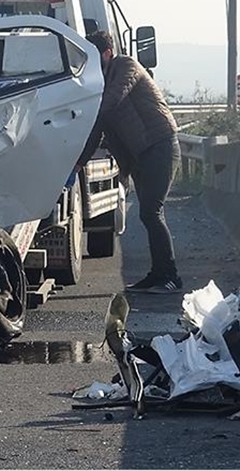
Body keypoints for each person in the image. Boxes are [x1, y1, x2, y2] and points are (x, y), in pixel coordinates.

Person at [77, 30, 182, 294]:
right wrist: (77, 164)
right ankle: (158, 274)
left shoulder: (126, 66)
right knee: (149, 214)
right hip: (141, 155)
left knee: (151, 212)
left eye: (94, 57)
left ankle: (169, 276)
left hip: (160, 146)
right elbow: (97, 130)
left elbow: (112, 100)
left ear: (107, 53)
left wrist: (83, 109)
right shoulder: (101, 80)